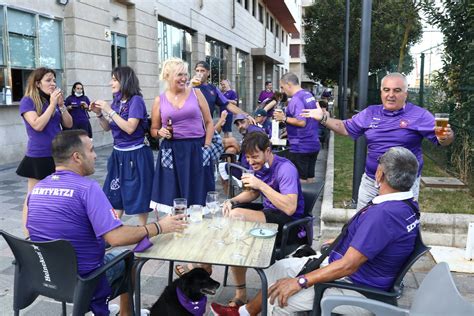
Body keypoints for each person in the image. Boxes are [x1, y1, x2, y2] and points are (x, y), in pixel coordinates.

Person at [211, 146, 422, 316]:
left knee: (279, 299)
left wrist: (301, 281)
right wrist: (343, 243)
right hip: (354, 274)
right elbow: (376, 243)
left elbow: (348, 266)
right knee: (276, 271)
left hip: (358, 290)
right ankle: (243, 312)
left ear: (379, 174)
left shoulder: (384, 214)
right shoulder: (406, 206)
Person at [27, 130, 186, 315]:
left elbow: (48, 228)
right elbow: (116, 237)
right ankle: (127, 313)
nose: (95, 156)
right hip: (86, 280)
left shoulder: (37, 188)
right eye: (92, 150)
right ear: (77, 157)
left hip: (46, 276)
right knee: (129, 259)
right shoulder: (87, 188)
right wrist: (159, 227)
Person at [302, 72, 455, 209]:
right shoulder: (370, 112)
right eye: (386, 90)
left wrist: (446, 137)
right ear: (381, 92)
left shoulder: (419, 115)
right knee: (362, 222)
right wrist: (323, 118)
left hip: (404, 185)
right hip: (372, 181)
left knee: (398, 226)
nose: (391, 95)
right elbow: (344, 127)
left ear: (406, 94)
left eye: (397, 90)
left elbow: (442, 140)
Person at [221, 131, 305, 308]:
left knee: (237, 218)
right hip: (271, 213)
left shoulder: (285, 169)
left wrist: (260, 184)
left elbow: (290, 207)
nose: (251, 162)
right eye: (248, 158)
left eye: (254, 157)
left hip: (290, 223)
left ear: (268, 151)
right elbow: (253, 192)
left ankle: (241, 289)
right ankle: (239, 288)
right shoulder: (260, 166)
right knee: (232, 213)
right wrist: (232, 200)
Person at [149, 57, 215, 213]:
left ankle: (198, 231)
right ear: (167, 76)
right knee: (172, 194)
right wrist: (160, 132)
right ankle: (175, 230)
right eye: (179, 75)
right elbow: (153, 129)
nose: (184, 78)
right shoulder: (159, 100)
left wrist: (206, 146)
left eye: (185, 74)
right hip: (171, 151)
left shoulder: (196, 93)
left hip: (196, 149)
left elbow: (209, 123)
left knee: (198, 193)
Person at [91, 66, 154, 226]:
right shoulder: (117, 101)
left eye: (114, 79)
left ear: (124, 81)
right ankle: (112, 229)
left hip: (136, 154)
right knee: (115, 192)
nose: (110, 83)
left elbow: (130, 127)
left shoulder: (136, 101)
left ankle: (143, 231)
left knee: (138, 192)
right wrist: (99, 113)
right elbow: (108, 127)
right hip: (118, 153)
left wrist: (108, 110)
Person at [16, 67, 73, 237]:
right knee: (33, 197)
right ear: (37, 82)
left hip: (58, 154)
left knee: (56, 196)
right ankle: (28, 235)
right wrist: (53, 104)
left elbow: (69, 124)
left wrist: (61, 106)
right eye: (48, 80)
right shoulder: (28, 101)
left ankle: (52, 232)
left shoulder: (51, 101)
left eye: (54, 80)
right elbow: (37, 125)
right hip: (39, 155)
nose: (53, 83)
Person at [274, 72, 320, 183]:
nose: (282, 90)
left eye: (282, 87)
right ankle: (311, 200)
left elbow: (301, 122)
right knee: (310, 177)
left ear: (289, 84)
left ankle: (302, 200)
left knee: (300, 181)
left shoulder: (295, 99)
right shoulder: (308, 95)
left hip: (301, 146)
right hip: (313, 143)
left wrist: (284, 118)